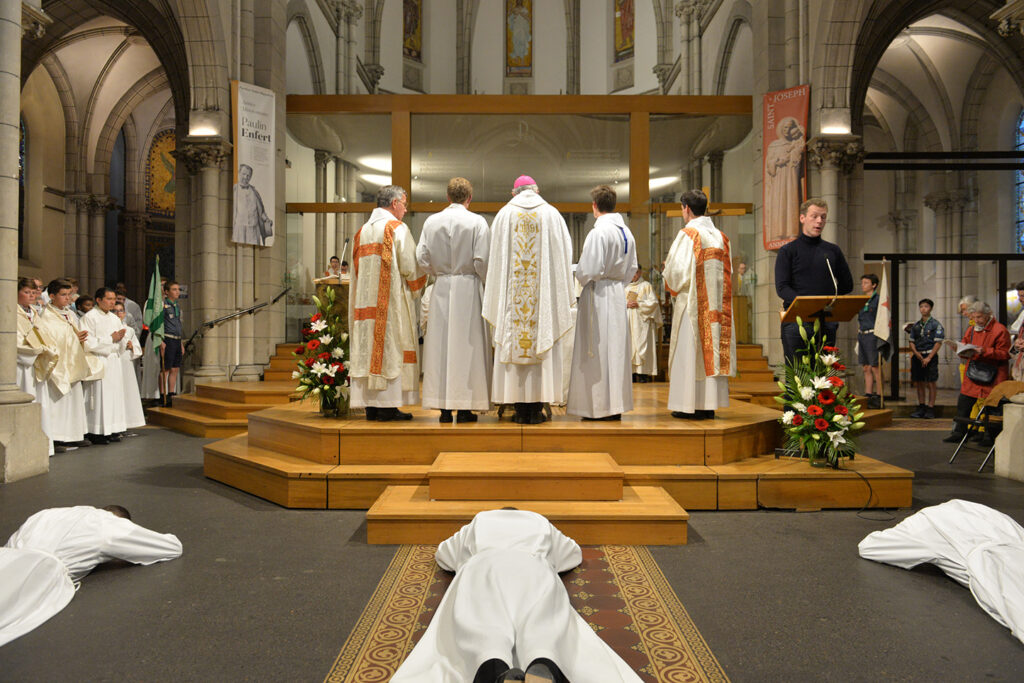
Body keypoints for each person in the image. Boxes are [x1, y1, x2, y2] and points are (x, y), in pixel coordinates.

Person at [389, 509, 643, 683]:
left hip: (484, 564)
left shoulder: (479, 520)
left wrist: (464, 560)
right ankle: (544, 659)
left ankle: (490, 664)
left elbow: (444, 554)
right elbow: (572, 553)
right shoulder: (539, 521)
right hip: (532, 564)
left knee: (479, 619)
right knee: (543, 617)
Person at [0, 505, 182, 648]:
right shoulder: (107, 525)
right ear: (121, 520)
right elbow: (172, 547)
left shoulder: (48, 513)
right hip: (35, 576)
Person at [483, 176, 575, 425]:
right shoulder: (552, 215)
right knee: (541, 340)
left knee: (514, 343)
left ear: (514, 192)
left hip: (512, 306)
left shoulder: (504, 215)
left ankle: (519, 407)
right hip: (541, 304)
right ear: (537, 190)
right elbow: (565, 254)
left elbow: (494, 259)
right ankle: (535, 408)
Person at [416, 177, 492, 424]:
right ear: (469, 199)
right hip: (468, 287)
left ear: (447, 197)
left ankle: (444, 408)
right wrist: (482, 280)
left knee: (440, 347)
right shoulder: (477, 222)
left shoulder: (431, 221)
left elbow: (422, 258)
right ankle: (467, 406)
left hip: (442, 286)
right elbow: (482, 261)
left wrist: (438, 272)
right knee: (467, 348)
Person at [349, 185, 425, 421]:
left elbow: (355, 273)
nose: (405, 209)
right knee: (391, 347)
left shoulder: (361, 232)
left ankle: (371, 406)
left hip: (364, 307)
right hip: (389, 306)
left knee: (368, 349)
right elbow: (410, 267)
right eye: (404, 204)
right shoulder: (396, 228)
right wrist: (420, 284)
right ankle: (388, 406)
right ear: (394, 204)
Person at [566, 185, 637, 421]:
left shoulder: (599, 233)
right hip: (617, 293)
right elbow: (632, 270)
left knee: (596, 350)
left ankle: (598, 408)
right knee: (615, 351)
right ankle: (614, 406)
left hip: (598, 295)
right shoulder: (627, 232)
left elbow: (590, 269)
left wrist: (578, 274)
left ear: (594, 206)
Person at [663, 189, 735, 420]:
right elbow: (729, 272)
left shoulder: (689, 234)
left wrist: (669, 279)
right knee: (711, 353)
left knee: (689, 354)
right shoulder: (722, 238)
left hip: (693, 306)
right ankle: (708, 403)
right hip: (717, 309)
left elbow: (675, 274)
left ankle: (689, 405)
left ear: (686, 208)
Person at [775, 198, 854, 362]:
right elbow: (782, 287)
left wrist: (828, 300)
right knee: (799, 377)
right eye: (814, 216)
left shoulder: (832, 251)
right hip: (797, 321)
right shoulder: (788, 251)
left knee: (823, 376)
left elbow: (847, 285)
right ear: (802, 218)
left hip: (827, 320)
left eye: (823, 217)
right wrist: (807, 303)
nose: (819, 221)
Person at [36, 279, 103, 451]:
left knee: (73, 400)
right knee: (58, 401)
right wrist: (74, 338)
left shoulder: (69, 313)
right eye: (63, 295)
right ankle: (58, 438)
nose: (68, 298)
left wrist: (78, 338)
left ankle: (73, 435)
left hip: (72, 361)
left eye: (69, 294)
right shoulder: (46, 316)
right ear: (52, 296)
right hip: (58, 366)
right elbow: (48, 340)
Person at [942, 301, 1010, 446]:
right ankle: (959, 432)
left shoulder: (1000, 330)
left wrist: (985, 351)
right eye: (973, 317)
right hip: (974, 372)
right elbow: (966, 344)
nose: (976, 321)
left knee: (992, 407)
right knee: (964, 403)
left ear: (988, 315)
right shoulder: (972, 329)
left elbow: (1005, 354)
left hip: (994, 375)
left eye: (979, 317)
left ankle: (989, 435)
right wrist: (959, 349)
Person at [80, 287, 128, 445]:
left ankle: (113, 429)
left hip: (114, 360)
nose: (112, 302)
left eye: (114, 299)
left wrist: (120, 340)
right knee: (100, 396)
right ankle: (97, 432)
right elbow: (87, 343)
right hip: (100, 360)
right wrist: (110, 339)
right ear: (98, 300)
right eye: (108, 299)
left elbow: (119, 339)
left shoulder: (114, 318)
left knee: (114, 396)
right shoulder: (90, 317)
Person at [16, 277, 56, 454]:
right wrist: (34, 351)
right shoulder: (11, 313)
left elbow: (44, 334)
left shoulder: (34, 312)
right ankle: (24, 447)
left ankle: (42, 446)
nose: (31, 295)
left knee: (41, 403)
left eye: (33, 292)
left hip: (38, 363)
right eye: (26, 292)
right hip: (22, 365)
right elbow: (14, 340)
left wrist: (47, 349)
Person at [764, 116, 806, 241]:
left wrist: (794, 152)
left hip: (791, 177)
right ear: (781, 128)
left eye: (790, 127)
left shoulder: (795, 144)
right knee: (779, 203)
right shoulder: (774, 145)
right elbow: (769, 164)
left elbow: (797, 161)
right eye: (786, 127)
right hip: (778, 179)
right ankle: (779, 232)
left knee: (791, 202)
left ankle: (791, 232)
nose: (787, 130)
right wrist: (777, 161)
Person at [625, 265, 663, 383]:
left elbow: (653, 303)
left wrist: (639, 304)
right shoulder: (624, 286)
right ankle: (630, 374)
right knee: (628, 345)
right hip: (628, 321)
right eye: (631, 272)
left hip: (642, 322)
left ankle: (643, 374)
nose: (633, 275)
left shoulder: (646, 286)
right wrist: (625, 305)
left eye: (635, 272)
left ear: (640, 272)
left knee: (643, 346)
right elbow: (616, 303)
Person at [113, 301, 146, 433]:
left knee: (127, 391)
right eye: (115, 311)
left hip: (126, 362)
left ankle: (128, 421)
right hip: (116, 360)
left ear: (125, 313)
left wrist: (133, 347)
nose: (118, 313)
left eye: (120, 310)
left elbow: (137, 348)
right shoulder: (110, 327)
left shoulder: (130, 330)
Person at [908, 298, 944, 419]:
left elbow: (938, 342)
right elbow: (911, 341)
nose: (923, 309)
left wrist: (929, 357)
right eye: (921, 306)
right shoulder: (916, 325)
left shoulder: (935, 324)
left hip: (930, 356)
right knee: (919, 382)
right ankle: (921, 406)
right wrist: (916, 353)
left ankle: (930, 407)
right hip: (918, 356)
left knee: (931, 381)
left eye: (926, 306)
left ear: (931, 308)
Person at [857, 273, 883, 409]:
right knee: (865, 367)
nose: (863, 285)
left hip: (873, 334)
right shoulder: (861, 300)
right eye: (862, 283)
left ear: (874, 285)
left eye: (866, 283)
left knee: (875, 367)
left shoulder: (878, 300)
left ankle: (879, 396)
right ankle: (868, 394)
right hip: (862, 334)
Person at [232, 163, 273, 245]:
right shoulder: (234, 190)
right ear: (239, 173)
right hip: (239, 227)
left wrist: (266, 219)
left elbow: (261, 211)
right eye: (244, 174)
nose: (246, 177)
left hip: (253, 228)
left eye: (248, 175)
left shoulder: (254, 192)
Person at [160, 280, 185, 408]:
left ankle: (171, 393)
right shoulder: (163, 305)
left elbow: (178, 325)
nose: (177, 292)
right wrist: (160, 340)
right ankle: (163, 396)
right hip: (167, 339)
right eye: (174, 289)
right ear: (166, 292)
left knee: (175, 368)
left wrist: (180, 343)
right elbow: (158, 325)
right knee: (166, 369)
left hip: (176, 339)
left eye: (178, 289)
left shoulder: (177, 306)